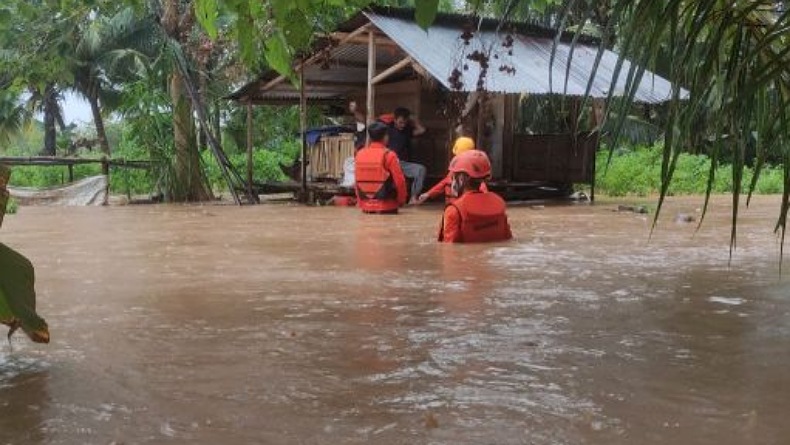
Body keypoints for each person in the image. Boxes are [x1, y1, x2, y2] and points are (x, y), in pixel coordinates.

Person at [0, 164, 50, 344]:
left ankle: (26, 320)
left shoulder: (2, 197)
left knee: (22, 267)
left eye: (4, 180)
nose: (3, 183)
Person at [351, 102, 427, 203]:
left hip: (402, 163)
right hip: (387, 161)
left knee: (421, 170)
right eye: (400, 122)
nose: (402, 125)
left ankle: (413, 197)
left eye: (404, 122)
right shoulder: (387, 128)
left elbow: (421, 130)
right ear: (394, 119)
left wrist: (413, 119)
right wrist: (355, 111)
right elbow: (367, 121)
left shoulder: (407, 130)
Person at [437, 150, 512, 243]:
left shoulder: (454, 210)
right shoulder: (499, 204)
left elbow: (449, 250)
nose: (452, 181)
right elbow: (508, 239)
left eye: (453, 176)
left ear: (462, 178)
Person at [415, 136, 488, 205]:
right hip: (453, 207)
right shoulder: (454, 171)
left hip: (465, 207)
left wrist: (484, 201)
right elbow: (444, 183)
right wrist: (428, 194)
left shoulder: (474, 172)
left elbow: (481, 186)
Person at [354, 122, 408, 214]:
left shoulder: (359, 154)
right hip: (387, 207)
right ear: (385, 137)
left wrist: (360, 202)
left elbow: (356, 181)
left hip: (366, 207)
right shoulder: (389, 155)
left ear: (370, 138)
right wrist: (401, 200)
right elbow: (400, 181)